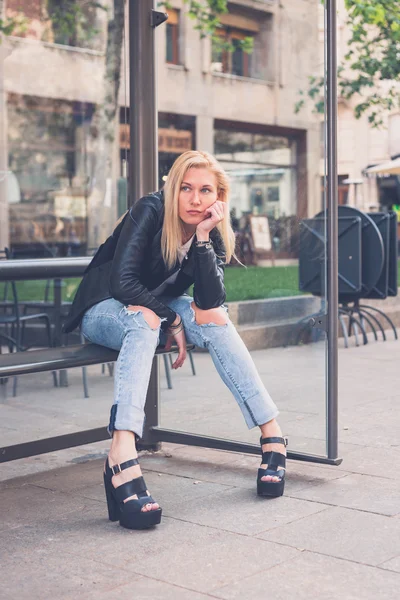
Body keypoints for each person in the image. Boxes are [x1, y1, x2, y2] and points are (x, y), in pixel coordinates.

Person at [64, 150, 287, 531]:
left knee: (215, 320)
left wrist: (202, 240)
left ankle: (273, 435)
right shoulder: (149, 210)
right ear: (173, 189)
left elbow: (211, 300)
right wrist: (171, 321)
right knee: (146, 321)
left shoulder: (208, 229)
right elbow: (122, 283)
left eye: (205, 191)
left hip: (151, 309)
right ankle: (122, 452)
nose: (195, 199)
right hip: (104, 307)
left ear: (218, 197)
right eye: (186, 188)